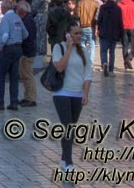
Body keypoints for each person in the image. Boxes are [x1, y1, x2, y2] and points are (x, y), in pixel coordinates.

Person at [47, 22, 92, 172]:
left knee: (71, 127)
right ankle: (69, 162)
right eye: (75, 33)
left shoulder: (84, 51)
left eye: (80, 33)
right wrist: (68, 48)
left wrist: (86, 93)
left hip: (77, 93)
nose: (79, 36)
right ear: (68, 34)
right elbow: (59, 67)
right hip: (62, 93)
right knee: (68, 126)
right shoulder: (59, 48)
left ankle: (64, 157)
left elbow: (87, 74)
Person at [0, 0, 28, 111]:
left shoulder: (6, 18)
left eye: (1, 7)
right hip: (18, 48)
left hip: (8, 49)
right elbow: (26, 34)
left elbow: (5, 35)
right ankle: (14, 102)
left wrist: (0, 46)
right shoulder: (17, 17)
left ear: (4, 8)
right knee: (14, 77)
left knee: (0, 76)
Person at [95, 0, 124, 77]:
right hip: (114, 33)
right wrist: (121, 35)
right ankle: (111, 70)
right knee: (112, 52)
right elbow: (120, 23)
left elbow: (99, 19)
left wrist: (98, 29)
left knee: (103, 50)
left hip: (104, 32)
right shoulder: (118, 9)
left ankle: (104, 62)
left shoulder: (103, 7)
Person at [17, 1, 38, 107]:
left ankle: (31, 98)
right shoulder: (27, 19)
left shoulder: (27, 21)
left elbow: (27, 37)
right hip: (27, 50)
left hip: (27, 51)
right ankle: (27, 96)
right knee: (24, 75)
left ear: (21, 11)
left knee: (28, 75)